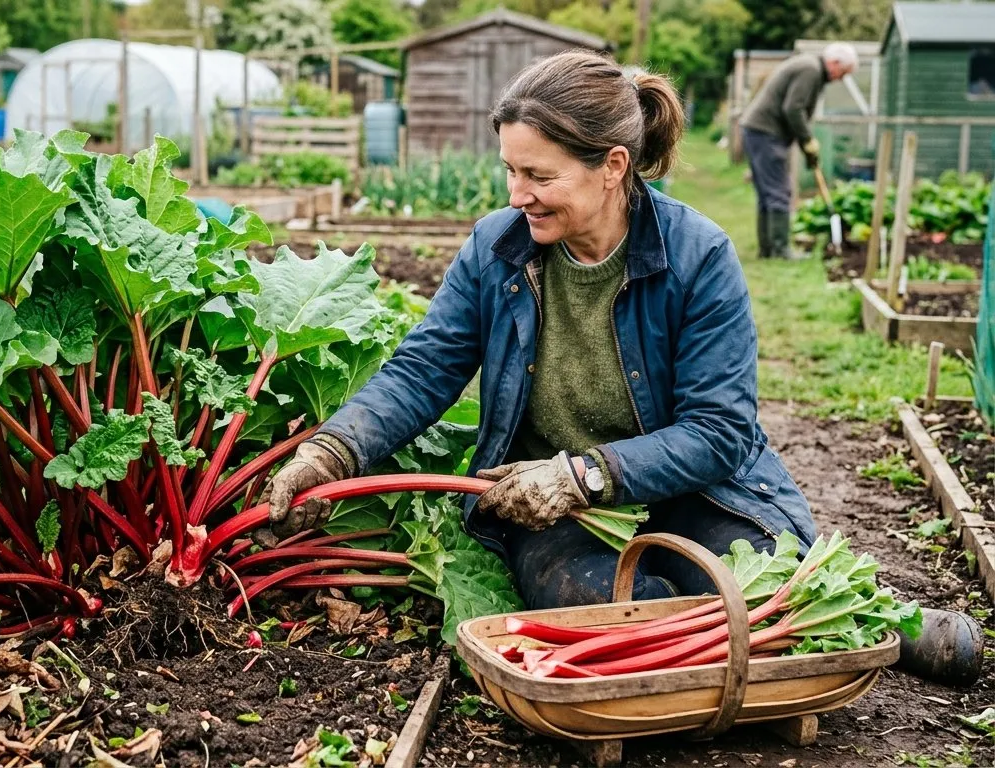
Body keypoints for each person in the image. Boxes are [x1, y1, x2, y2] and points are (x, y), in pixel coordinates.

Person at [261, 50, 978, 685]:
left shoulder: (699, 256)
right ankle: (721, 650)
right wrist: (334, 447)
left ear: (613, 167)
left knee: (756, 585)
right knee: (610, 618)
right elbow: (424, 369)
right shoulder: (497, 248)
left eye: (539, 175)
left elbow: (719, 432)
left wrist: (588, 473)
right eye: (510, 170)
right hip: (540, 501)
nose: (516, 194)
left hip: (694, 486)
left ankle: (889, 624)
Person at [740, 43, 858, 259]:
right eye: (843, 73)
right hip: (766, 132)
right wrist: (807, 140)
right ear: (834, 63)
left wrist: (807, 146)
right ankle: (780, 249)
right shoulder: (810, 69)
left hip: (759, 130)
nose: (841, 79)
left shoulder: (810, 67)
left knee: (768, 193)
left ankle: (768, 250)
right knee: (778, 191)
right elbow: (793, 108)